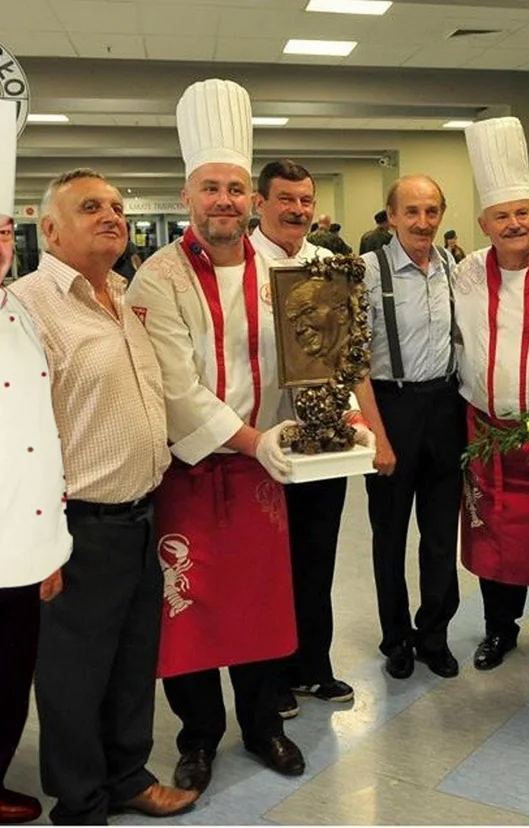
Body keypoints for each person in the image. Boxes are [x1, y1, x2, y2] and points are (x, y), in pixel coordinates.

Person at [127, 79, 304, 794]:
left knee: (261, 604)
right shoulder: (156, 279)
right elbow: (176, 389)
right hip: (190, 473)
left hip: (263, 471)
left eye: (234, 188)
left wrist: (329, 417)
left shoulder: (285, 274)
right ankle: (198, 738)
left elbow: (311, 361)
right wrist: (255, 440)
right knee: (191, 611)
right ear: (187, 196)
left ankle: (263, 726)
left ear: (251, 199)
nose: (223, 200)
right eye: (210, 188)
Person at [10, 169, 196, 824]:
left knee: (132, 659)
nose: (112, 215)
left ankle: (127, 776)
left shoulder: (123, 293)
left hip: (141, 514)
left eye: (116, 206)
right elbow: (16, 434)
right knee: (74, 672)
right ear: (49, 230)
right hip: (77, 526)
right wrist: (38, 540)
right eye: (91, 207)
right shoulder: (26, 308)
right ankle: (81, 800)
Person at [455, 117, 529, 673]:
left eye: (522, 213)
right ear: (484, 223)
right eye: (501, 216)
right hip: (486, 431)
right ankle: (499, 629)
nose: (513, 224)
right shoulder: (465, 274)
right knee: (495, 538)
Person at [251, 158, 369, 717]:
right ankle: (270, 677)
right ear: (260, 203)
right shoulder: (240, 266)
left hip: (323, 440)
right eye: (285, 199)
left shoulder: (327, 265)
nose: (297, 210)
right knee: (269, 566)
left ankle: (312, 666)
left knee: (318, 558)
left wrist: (354, 415)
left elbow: (347, 349)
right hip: (262, 442)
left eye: (305, 201)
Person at [354, 175, 463, 680]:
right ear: (392, 215)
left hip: (444, 405)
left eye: (431, 211)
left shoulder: (453, 268)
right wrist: (377, 435)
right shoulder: (367, 271)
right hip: (391, 405)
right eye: (412, 211)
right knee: (390, 533)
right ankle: (396, 637)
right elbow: (355, 363)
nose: (423, 222)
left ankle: (434, 634)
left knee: (440, 534)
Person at [0, 115, 75, 825]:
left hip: (24, 541)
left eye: (1, 232)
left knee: (11, 672)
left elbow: (38, 434)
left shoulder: (17, 312)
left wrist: (48, 543)